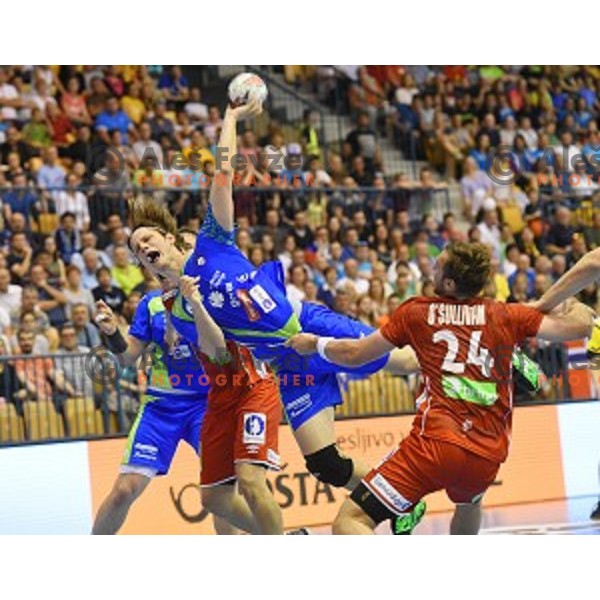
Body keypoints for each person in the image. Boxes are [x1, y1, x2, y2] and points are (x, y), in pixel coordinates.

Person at [128, 98, 426, 532]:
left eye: (147, 238)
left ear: (173, 239)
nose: (143, 248)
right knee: (326, 464)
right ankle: (402, 503)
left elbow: (224, 174)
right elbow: (219, 352)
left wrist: (229, 116)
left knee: (405, 360)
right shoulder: (177, 310)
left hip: (310, 325)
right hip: (288, 363)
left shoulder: (214, 243)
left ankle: (495, 349)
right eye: (137, 249)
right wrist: (193, 304)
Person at [287, 242, 595, 534]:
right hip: (488, 455)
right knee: (469, 504)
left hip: (434, 446)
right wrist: (568, 301)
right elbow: (580, 325)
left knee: (351, 521)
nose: (430, 272)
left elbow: (355, 355)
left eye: (437, 268)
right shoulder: (506, 314)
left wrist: (315, 343)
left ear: (449, 284)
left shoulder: (417, 313)